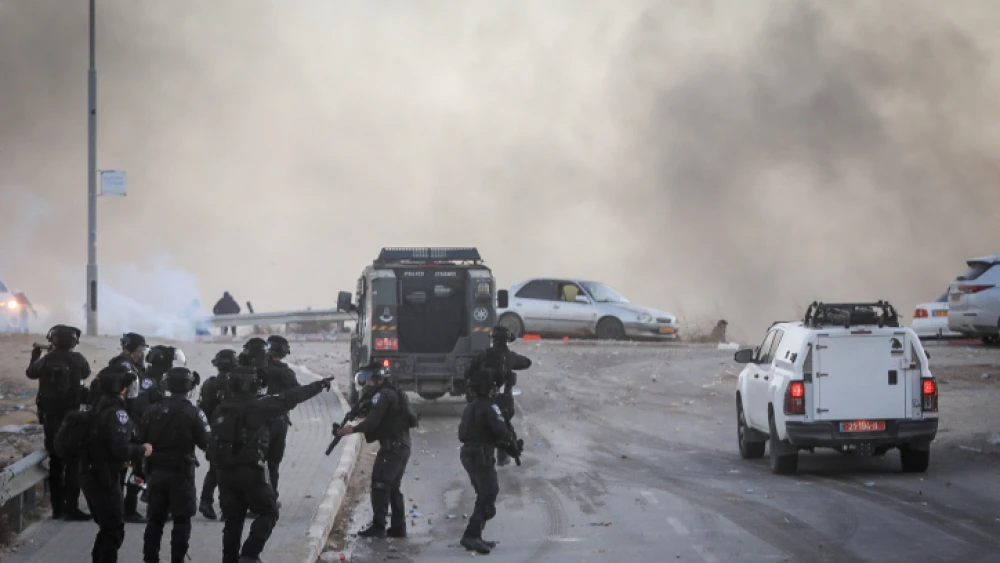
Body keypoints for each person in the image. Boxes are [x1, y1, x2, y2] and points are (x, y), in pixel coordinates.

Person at [210, 366, 333, 563]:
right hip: (250, 472)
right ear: (251, 385)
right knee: (269, 511)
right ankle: (250, 554)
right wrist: (318, 386)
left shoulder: (221, 408)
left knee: (233, 521)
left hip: (224, 474)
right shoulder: (258, 407)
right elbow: (290, 397)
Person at [81, 364, 153, 563]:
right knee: (113, 529)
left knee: (107, 527)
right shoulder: (116, 413)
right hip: (103, 476)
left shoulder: (97, 405)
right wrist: (141, 450)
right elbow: (120, 448)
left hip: (91, 472)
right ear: (120, 388)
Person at [336, 363, 416, 538]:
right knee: (393, 487)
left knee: (380, 484)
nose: (366, 384)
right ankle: (398, 527)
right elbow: (384, 415)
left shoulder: (383, 394)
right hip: (401, 446)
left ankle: (379, 527)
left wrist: (352, 429)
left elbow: (372, 423)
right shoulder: (392, 391)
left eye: (367, 380)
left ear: (376, 378)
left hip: (392, 448)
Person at [139, 367, 208, 563]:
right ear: (189, 387)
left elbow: (141, 441)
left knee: (155, 520)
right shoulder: (193, 413)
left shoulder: (151, 411)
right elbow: (205, 443)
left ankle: (150, 559)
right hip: (181, 474)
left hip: (155, 472)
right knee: (182, 520)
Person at [25, 324, 92, 520]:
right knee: (72, 464)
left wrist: (36, 356)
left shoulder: (46, 360)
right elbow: (86, 373)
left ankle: (57, 509)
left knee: (55, 463)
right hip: (72, 419)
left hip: (51, 419)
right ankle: (72, 509)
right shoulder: (79, 359)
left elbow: (31, 372)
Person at [457, 366, 520, 554]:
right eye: (493, 387)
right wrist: (511, 444)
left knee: (484, 494)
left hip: (469, 454)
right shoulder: (490, 407)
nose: (495, 390)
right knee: (488, 494)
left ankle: (476, 535)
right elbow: (501, 431)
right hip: (481, 455)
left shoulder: (470, 407)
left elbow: (463, 434)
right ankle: (471, 535)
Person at [463, 326, 531, 465]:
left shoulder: (484, 355)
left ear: (493, 339)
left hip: (483, 400)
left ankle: (487, 456)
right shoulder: (509, 356)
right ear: (507, 340)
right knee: (503, 426)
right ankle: (502, 456)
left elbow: (467, 372)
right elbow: (527, 362)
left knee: (484, 426)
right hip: (504, 400)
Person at [107, 332, 151, 523]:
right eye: (139, 350)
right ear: (129, 349)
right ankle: (124, 508)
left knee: (134, 469)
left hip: (133, 421)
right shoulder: (123, 366)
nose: (141, 354)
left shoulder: (134, 365)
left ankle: (122, 507)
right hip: (126, 422)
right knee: (129, 468)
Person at [197, 349, 238, 520]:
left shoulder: (209, 384)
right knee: (229, 470)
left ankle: (206, 500)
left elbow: (202, 409)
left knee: (214, 468)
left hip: (213, 431)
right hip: (230, 431)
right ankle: (225, 507)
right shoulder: (237, 383)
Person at [261, 335, 300, 500]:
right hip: (280, 422)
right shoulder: (288, 373)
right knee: (273, 464)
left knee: (258, 462)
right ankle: (272, 496)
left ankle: (258, 499)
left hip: (260, 424)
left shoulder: (259, 370)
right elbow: (296, 395)